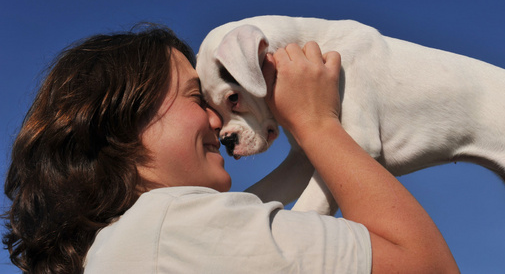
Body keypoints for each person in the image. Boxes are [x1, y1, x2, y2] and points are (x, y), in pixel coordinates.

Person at [2, 24, 459, 273]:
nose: (217, 120)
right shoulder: (172, 224)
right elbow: (428, 267)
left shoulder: (120, 248)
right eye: (197, 98)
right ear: (121, 121)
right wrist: (318, 123)